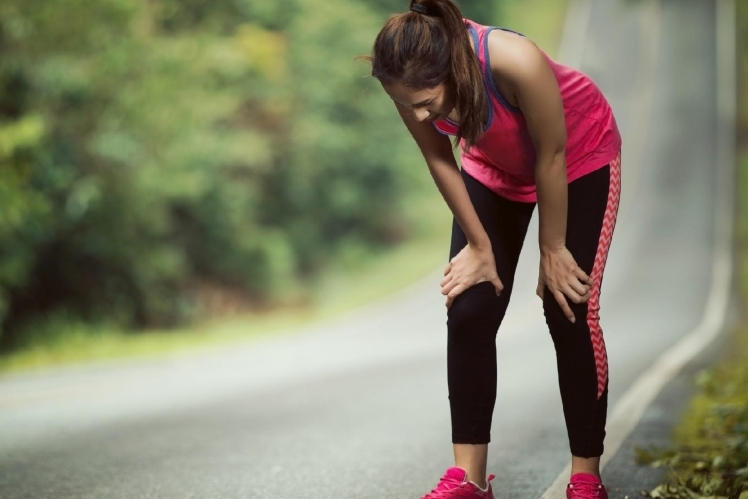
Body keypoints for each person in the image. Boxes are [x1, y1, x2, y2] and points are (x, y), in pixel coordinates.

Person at [365, 1, 622, 498]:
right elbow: (440, 159)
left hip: (578, 158)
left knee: (567, 305)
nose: (418, 113)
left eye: (427, 102)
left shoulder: (514, 60)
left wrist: (552, 248)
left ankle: (586, 476)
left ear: (453, 70)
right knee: (469, 307)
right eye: (407, 104)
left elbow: (551, 154)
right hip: (493, 168)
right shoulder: (405, 78)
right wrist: (479, 246)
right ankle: (469, 479)